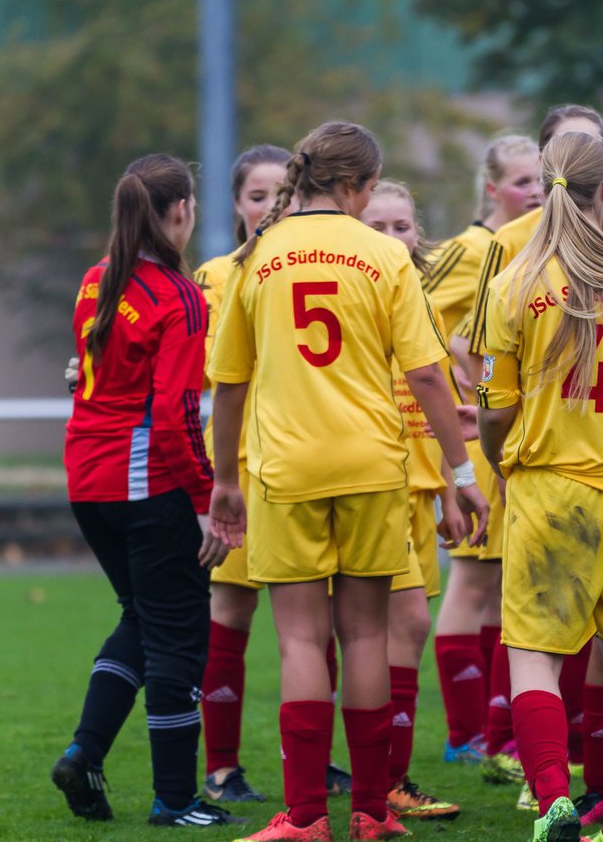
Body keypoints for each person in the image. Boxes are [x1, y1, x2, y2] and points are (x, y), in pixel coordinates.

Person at [207, 121, 487, 842]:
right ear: (361, 186)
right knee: (366, 637)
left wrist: (226, 479)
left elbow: (231, 384)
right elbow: (427, 375)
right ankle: (369, 813)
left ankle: (304, 818)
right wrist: (461, 473)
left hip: (286, 471)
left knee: (301, 643)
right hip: (371, 466)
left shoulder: (256, 254)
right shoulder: (384, 254)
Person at [476, 130, 603, 842]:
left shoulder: (514, 283)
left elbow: (494, 410)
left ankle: (556, 801)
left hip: (547, 490)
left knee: (533, 657)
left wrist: (504, 463)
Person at [55, 153, 240, 828]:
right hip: (146, 482)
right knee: (179, 640)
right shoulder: (180, 296)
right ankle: (176, 798)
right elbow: (174, 413)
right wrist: (206, 499)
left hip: (87, 477)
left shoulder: (96, 278)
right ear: (181, 211)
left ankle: (84, 753)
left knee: (140, 616)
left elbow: (88, 372)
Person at [467, 106, 603, 794]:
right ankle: (558, 775)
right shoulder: (513, 247)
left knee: (584, 637)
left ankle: (575, 781)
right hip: (588, 469)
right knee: (547, 629)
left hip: (567, 468)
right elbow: (478, 353)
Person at [194, 143, 353, 805]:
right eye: (256, 197)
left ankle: (312, 765)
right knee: (231, 609)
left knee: (319, 619)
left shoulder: (316, 261)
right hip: (240, 461)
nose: (269, 207)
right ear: (236, 205)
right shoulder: (219, 274)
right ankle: (223, 766)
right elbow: (213, 374)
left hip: (304, 456)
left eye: (278, 195)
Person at [358, 178, 468, 821]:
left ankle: (387, 778)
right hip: (375, 484)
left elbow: (426, 407)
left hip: (418, 490)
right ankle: (381, 782)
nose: (394, 238)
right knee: (395, 628)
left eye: (403, 227)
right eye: (379, 227)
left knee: (400, 631)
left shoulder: (416, 295)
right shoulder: (362, 297)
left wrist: (449, 491)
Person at [433, 134, 542, 767]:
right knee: (473, 576)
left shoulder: (540, 242)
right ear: (491, 187)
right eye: (521, 181)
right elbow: (420, 318)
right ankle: (463, 733)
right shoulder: (470, 249)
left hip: (517, 427)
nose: (532, 192)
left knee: (505, 581)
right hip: (475, 429)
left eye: (539, 181)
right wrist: (461, 374)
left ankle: (493, 730)